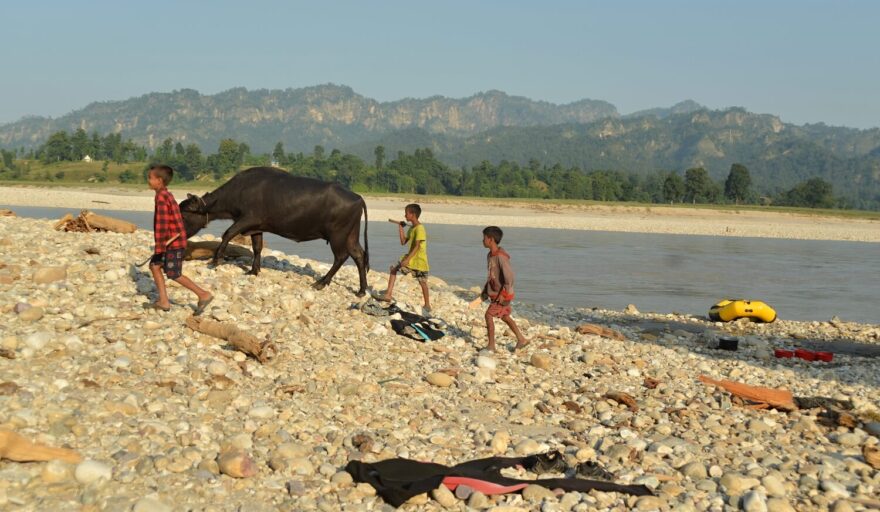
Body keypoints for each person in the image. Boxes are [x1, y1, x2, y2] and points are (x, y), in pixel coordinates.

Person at [145, 164, 213, 313]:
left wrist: (160, 246)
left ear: (159, 180)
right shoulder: (167, 195)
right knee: (155, 266)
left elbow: (162, 224)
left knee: (173, 273)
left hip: (172, 242)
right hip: (173, 240)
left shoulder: (162, 198)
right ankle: (164, 302)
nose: (148, 180)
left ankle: (203, 294)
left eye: (150, 178)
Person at [479, 226, 528, 352]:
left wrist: (504, 293)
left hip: (503, 294)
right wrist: (485, 291)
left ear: (490, 239)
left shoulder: (501, 257)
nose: (482, 240)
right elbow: (491, 275)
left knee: (488, 315)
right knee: (505, 316)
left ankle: (491, 346)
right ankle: (521, 339)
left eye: (484, 238)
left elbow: (509, 277)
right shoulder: (490, 255)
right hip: (495, 293)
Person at [377, 203, 430, 311]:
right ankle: (388, 294)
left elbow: (417, 246)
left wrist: (407, 260)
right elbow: (403, 242)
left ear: (413, 214)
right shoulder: (412, 229)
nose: (405, 216)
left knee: (422, 282)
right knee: (394, 269)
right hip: (411, 258)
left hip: (419, 260)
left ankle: (427, 305)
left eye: (406, 213)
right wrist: (400, 228)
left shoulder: (420, 229)